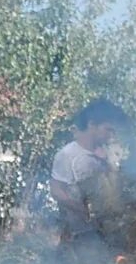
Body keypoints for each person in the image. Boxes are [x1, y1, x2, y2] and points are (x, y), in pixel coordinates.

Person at [49, 99, 128, 249]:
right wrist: (81, 209)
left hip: (109, 236)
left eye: (113, 131)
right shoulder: (68, 155)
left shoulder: (109, 154)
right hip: (79, 238)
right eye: (107, 129)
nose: (111, 135)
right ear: (92, 125)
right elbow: (56, 190)